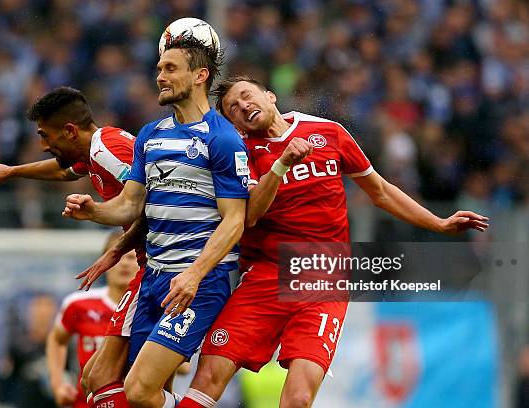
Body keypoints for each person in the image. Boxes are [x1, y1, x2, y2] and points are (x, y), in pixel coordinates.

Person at [175, 76, 490, 408]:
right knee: (209, 375)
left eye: (246, 97)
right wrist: (282, 165)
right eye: (233, 109)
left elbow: (380, 192)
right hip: (266, 274)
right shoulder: (239, 151)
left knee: (298, 398)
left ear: (269, 96)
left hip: (323, 277)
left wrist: (438, 223)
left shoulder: (328, 131)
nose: (243, 108)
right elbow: (249, 215)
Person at [62, 36, 249, 408]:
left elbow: (234, 222)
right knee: (100, 380)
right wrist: (93, 211)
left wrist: (194, 274)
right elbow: (130, 205)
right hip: (153, 278)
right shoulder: (150, 135)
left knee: (140, 390)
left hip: (198, 282)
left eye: (170, 68)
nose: (160, 76)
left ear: (200, 75)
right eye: (159, 69)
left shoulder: (222, 139)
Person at [0, 87, 149, 407]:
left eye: (45, 135)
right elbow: (65, 170)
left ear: (70, 131)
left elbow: (154, 202)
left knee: (110, 380)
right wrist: (12, 171)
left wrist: (114, 248)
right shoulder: (95, 151)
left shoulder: (107, 151)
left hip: (160, 267)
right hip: (152, 265)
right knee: (102, 380)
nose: (43, 145)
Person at [46, 231, 140, 408]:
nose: (124, 264)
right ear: (105, 262)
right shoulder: (78, 304)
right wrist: (58, 383)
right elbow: (57, 340)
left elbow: (182, 368)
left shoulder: (151, 310)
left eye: (131, 257)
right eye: (118, 256)